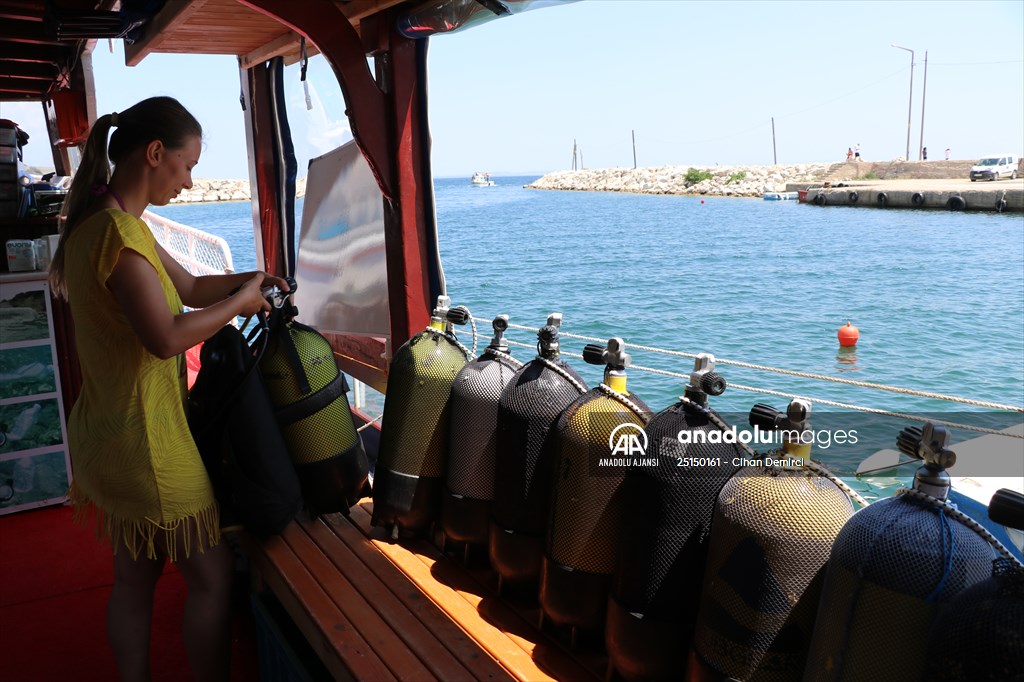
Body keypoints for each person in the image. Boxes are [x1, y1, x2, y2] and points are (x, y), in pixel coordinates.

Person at [48, 96, 288, 682]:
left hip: (106, 431)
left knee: (135, 576)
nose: (190, 180)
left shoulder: (107, 222)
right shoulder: (119, 237)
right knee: (209, 576)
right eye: (186, 165)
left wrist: (250, 282)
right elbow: (164, 337)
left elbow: (191, 286)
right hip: (148, 444)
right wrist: (242, 306)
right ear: (155, 154)